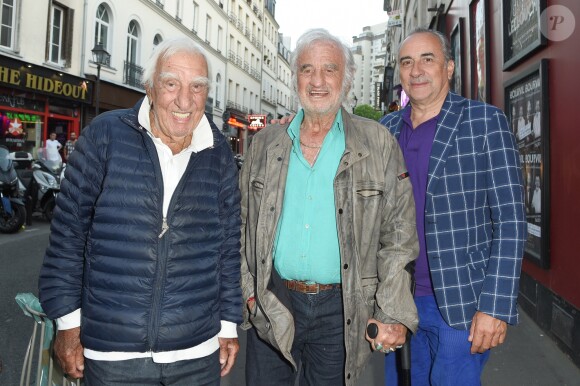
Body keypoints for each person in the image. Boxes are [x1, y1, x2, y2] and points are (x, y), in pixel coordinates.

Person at [38, 37, 242, 385]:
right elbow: (68, 237)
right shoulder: (105, 136)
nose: (184, 100)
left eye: (197, 87)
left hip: (196, 354)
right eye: (171, 84)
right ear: (149, 87)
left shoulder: (218, 150)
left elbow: (227, 244)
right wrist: (68, 325)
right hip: (113, 355)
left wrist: (227, 324)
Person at [239, 28, 419, 386]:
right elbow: (240, 225)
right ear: (295, 78)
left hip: (343, 310)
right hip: (273, 300)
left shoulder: (378, 143)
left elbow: (398, 234)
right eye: (307, 69)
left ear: (347, 79)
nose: (317, 80)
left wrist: (393, 310)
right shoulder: (264, 144)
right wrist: (249, 293)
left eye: (329, 69)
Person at [380, 28, 527, 386]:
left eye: (427, 59)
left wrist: (494, 305)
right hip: (397, 301)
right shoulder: (384, 131)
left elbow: (511, 219)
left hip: (461, 305)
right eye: (407, 62)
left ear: (448, 68)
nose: (416, 71)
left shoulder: (484, 122)